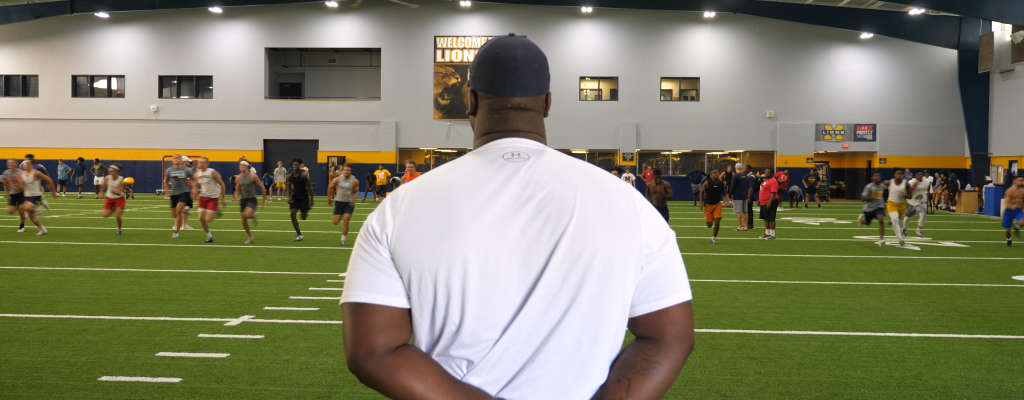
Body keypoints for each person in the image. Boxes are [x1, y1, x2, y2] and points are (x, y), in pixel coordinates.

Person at [340, 34, 694, 400]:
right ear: (547, 103)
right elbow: (669, 335)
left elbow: (373, 351)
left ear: (471, 100)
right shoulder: (629, 204)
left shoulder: (399, 208)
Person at [16, 158, 57, 235]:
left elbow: (49, 180)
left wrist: (53, 192)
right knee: (30, 215)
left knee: (26, 208)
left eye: (28, 163)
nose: (25, 165)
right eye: (24, 163)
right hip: (26, 195)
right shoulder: (22, 174)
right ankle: (42, 229)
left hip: (35, 195)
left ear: (32, 165)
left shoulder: (36, 173)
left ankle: (38, 209)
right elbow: (21, 186)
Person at [193, 157, 227, 244]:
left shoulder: (212, 172)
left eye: (202, 162)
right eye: (199, 162)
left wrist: (223, 198)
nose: (200, 164)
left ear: (207, 163)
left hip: (213, 197)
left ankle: (215, 210)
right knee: (200, 218)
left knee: (209, 219)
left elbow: (222, 184)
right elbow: (195, 185)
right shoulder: (197, 174)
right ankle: (209, 236)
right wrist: (194, 192)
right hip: (203, 197)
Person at [233, 161, 267, 244]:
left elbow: (262, 187)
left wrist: (263, 199)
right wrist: (235, 197)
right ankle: (250, 237)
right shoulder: (238, 178)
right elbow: (237, 189)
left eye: (243, 165)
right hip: (243, 199)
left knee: (247, 215)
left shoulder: (253, 176)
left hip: (252, 198)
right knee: (244, 219)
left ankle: (253, 215)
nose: (241, 167)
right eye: (240, 165)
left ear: (248, 167)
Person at [883, 168, 918, 247]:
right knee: (895, 219)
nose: (899, 175)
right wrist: (881, 202)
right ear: (894, 174)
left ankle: (892, 220)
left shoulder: (906, 184)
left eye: (901, 173)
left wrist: (905, 195)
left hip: (902, 204)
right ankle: (900, 239)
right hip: (891, 203)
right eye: (898, 173)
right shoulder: (889, 182)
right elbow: (879, 189)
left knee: (897, 222)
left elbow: (910, 196)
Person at [164, 155, 194, 238]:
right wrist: (167, 192)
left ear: (180, 160)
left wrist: (194, 190)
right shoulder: (169, 170)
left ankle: (177, 231)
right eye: (174, 158)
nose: (175, 160)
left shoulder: (187, 170)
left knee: (178, 211)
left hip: (184, 192)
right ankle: (181, 219)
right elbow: (166, 181)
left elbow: (194, 179)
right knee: (175, 214)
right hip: (174, 193)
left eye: (177, 158)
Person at [328, 164, 359, 246]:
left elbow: (357, 191)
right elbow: (330, 186)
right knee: (335, 222)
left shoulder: (354, 181)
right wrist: (329, 198)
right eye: (345, 170)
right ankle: (341, 213)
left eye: (348, 170)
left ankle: (343, 240)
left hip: (349, 203)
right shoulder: (338, 179)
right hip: (339, 202)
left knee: (346, 221)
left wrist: (353, 199)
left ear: (351, 171)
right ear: (343, 171)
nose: (346, 172)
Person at [286, 158, 314, 241]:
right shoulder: (290, 175)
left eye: (297, 165)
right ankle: (299, 234)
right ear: (292, 166)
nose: (295, 166)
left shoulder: (303, 175)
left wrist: (311, 200)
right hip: (295, 197)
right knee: (292, 213)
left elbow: (310, 187)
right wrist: (288, 197)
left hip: (304, 197)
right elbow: (289, 187)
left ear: (300, 166)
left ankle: (306, 209)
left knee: (303, 217)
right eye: (294, 165)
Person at [858, 171, 887, 247]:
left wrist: (884, 204)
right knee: (868, 223)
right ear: (873, 178)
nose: (878, 177)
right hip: (868, 208)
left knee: (881, 219)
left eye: (879, 176)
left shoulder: (882, 186)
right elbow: (863, 199)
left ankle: (881, 239)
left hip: (879, 207)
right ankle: (861, 220)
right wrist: (871, 197)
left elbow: (881, 196)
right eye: (876, 176)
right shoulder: (869, 187)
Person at [100, 163, 126, 235]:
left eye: (112, 171)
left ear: (117, 172)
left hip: (119, 198)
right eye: (110, 171)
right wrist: (102, 192)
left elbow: (119, 192)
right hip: (109, 198)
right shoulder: (108, 178)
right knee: (105, 215)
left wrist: (114, 191)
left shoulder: (121, 180)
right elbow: (103, 185)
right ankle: (118, 209)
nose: (111, 173)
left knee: (118, 216)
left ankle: (119, 230)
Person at [3, 159, 28, 232]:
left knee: (21, 211)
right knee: (10, 211)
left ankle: (22, 226)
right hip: (13, 193)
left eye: (11, 162)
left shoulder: (20, 172)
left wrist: (20, 186)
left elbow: (25, 185)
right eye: (8, 162)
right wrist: (7, 193)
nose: (9, 164)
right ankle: (22, 207)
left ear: (16, 164)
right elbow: (6, 182)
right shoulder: (6, 173)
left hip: (21, 192)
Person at [701, 169, 726, 244]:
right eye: (713, 173)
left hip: (717, 204)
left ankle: (714, 238)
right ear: (711, 175)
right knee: (709, 225)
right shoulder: (707, 183)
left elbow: (725, 193)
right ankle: (707, 215)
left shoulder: (722, 184)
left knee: (717, 221)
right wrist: (701, 203)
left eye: (716, 172)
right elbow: (701, 192)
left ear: (719, 174)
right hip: (708, 204)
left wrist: (726, 199)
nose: (715, 174)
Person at [903, 170, 929, 238]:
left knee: (923, 215)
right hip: (911, 201)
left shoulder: (926, 182)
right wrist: (913, 187)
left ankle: (919, 231)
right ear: (915, 176)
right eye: (919, 174)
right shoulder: (911, 182)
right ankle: (904, 228)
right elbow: (907, 192)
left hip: (921, 200)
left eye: (921, 174)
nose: (921, 176)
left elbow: (928, 186)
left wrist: (928, 194)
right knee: (909, 216)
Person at [758, 168, 779, 240]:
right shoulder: (766, 181)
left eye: (768, 172)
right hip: (764, 202)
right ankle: (767, 234)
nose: (766, 173)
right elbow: (763, 191)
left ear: (772, 173)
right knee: (766, 218)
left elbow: (773, 192)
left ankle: (772, 235)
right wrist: (759, 200)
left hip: (771, 202)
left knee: (771, 219)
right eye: (765, 172)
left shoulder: (773, 181)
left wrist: (770, 202)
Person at [1003, 176, 1024, 247]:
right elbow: (1006, 202)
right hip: (1009, 211)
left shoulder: (1022, 191)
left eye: (1022, 181)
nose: (1020, 182)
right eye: (1019, 180)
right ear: (1014, 181)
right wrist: (1011, 206)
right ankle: (1009, 240)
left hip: (1018, 210)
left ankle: (1016, 227)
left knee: (1022, 222)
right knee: (1008, 231)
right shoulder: (1009, 191)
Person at [729, 163, 749, 231]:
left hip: (737, 195)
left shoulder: (735, 176)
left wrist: (729, 195)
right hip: (745, 195)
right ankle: (746, 226)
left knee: (738, 211)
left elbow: (732, 186)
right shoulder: (746, 176)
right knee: (745, 211)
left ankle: (740, 226)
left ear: (735, 168)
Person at [745, 165, 757, 230]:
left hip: (749, 196)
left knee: (749, 210)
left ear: (749, 169)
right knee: (747, 210)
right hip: (748, 195)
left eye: (745, 168)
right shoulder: (748, 176)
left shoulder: (751, 177)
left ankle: (750, 224)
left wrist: (749, 196)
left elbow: (751, 187)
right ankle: (747, 223)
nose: (743, 169)